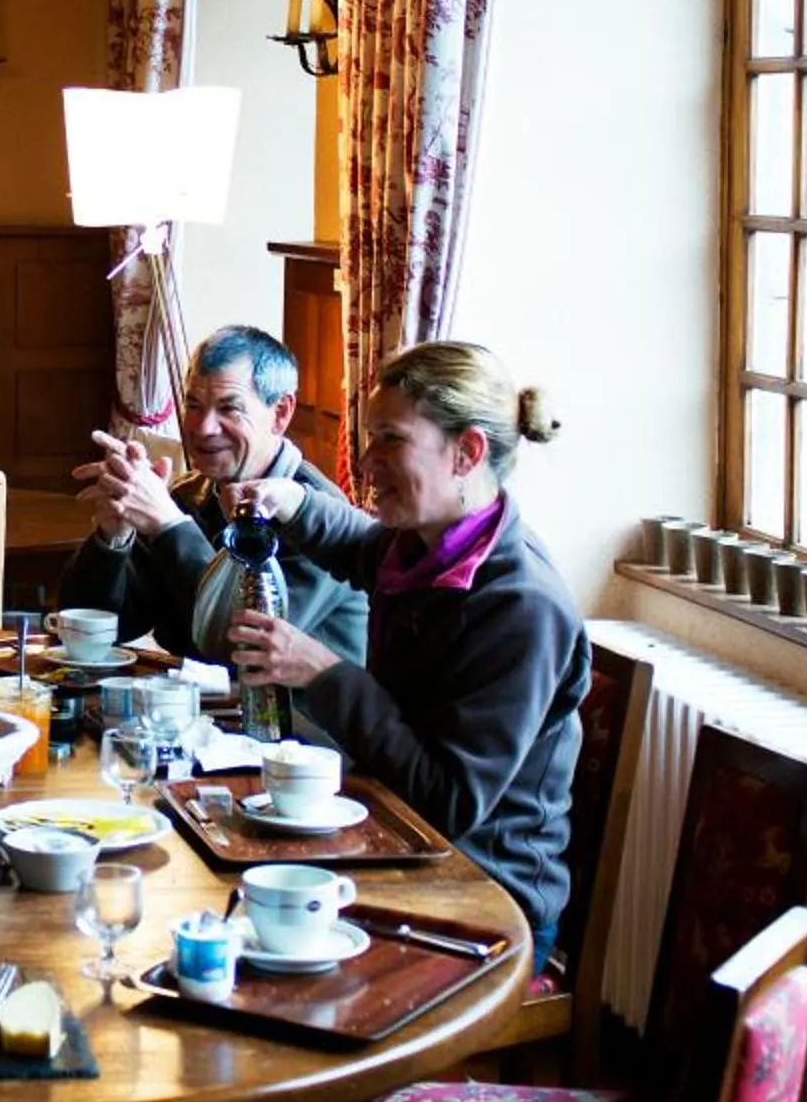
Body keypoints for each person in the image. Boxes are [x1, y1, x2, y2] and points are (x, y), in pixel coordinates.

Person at [227, 340, 588, 961]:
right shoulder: (428, 545)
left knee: (255, 931)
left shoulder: (521, 607)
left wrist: (325, 674)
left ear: (467, 451)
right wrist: (294, 504)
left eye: (390, 440)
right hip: (400, 842)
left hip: (482, 896)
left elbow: (449, 802)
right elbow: (362, 546)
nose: (366, 462)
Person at [57, 324, 367, 665]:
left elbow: (246, 645)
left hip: (293, 715)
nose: (203, 428)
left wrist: (169, 526)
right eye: (193, 405)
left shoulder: (315, 518)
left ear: (280, 413)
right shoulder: (189, 495)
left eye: (228, 408)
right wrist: (112, 539)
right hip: (194, 708)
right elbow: (109, 627)